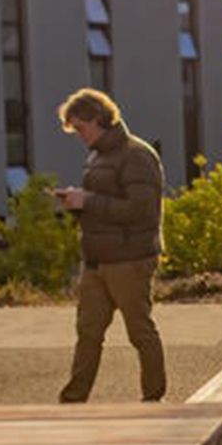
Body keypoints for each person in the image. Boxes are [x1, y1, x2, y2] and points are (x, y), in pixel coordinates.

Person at [54, 88, 167, 404]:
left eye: (80, 127)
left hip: (130, 259)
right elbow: (103, 209)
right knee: (87, 334)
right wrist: (77, 204)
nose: (78, 135)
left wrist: (88, 200)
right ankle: (73, 400)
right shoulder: (97, 156)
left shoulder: (137, 155)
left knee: (139, 331)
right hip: (96, 261)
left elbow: (140, 210)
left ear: (98, 118)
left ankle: (153, 398)